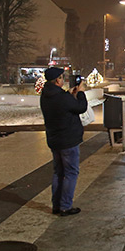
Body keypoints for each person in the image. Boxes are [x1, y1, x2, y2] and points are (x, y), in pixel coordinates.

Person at [40, 66, 88, 217]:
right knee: (71, 173)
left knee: (58, 172)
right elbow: (81, 107)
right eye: (62, 77)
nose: (63, 79)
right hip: (68, 140)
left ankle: (57, 205)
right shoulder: (61, 97)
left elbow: (64, 106)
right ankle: (66, 206)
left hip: (54, 139)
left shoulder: (46, 95)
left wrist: (69, 95)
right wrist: (80, 93)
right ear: (57, 80)